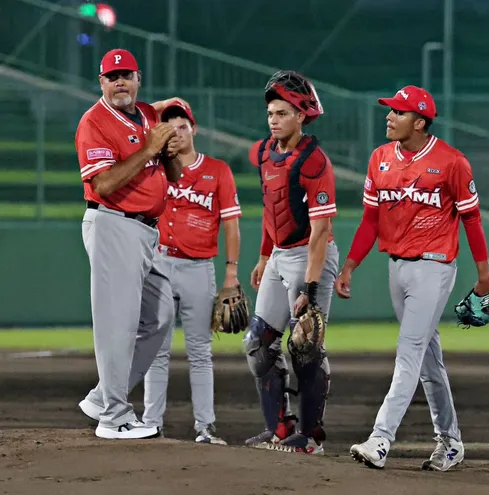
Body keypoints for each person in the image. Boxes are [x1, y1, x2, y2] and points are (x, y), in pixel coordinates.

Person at [338, 85, 489, 472]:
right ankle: (451, 441)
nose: (389, 117)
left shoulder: (451, 162)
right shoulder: (379, 158)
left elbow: (471, 219)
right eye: (390, 111)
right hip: (396, 266)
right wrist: (350, 265)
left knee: (408, 351)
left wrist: (484, 273)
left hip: (435, 266)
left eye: (398, 112)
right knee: (428, 362)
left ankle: (380, 438)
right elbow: (370, 220)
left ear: (420, 122)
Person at [75, 48, 190, 439]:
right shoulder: (94, 122)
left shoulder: (148, 116)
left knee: (158, 316)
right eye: (112, 76)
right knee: (117, 325)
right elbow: (103, 184)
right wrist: (148, 150)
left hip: (145, 231)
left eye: (126, 74)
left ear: (138, 78)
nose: (120, 82)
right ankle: (114, 417)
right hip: (113, 224)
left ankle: (100, 397)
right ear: (102, 82)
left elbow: (171, 174)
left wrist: (170, 153)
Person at [241, 70, 338, 455]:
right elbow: (271, 209)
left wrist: (310, 290)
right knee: (258, 343)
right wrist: (265, 257)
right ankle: (280, 428)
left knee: (305, 345)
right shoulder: (264, 152)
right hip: (280, 256)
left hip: (309, 256)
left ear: (302, 115)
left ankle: (311, 438)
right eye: (270, 113)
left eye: (282, 112)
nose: (273, 119)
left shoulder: (315, 162)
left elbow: (320, 231)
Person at [138, 102, 242, 445]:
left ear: (193, 129)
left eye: (182, 126)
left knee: (200, 351)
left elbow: (231, 225)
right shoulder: (154, 168)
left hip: (199, 268)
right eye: (169, 127)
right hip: (160, 265)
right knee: (157, 351)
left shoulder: (217, 171)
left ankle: (205, 427)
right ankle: (152, 423)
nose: (177, 133)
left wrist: (231, 274)